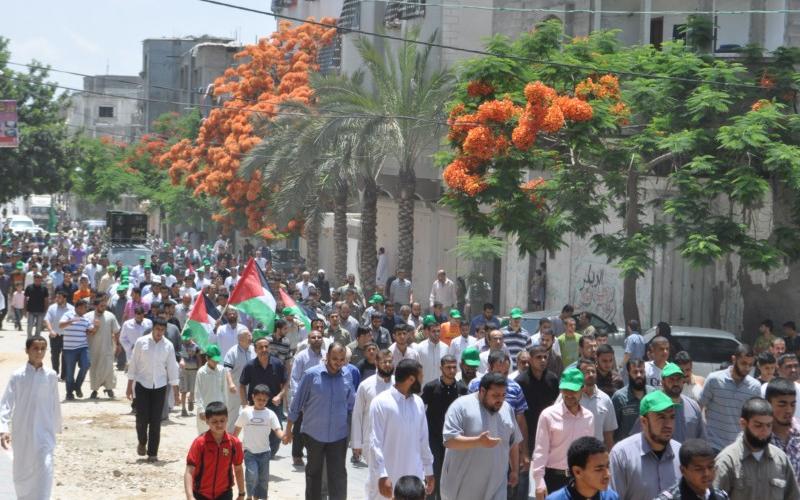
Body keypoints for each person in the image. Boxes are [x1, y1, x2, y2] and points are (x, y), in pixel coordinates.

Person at [284, 343, 355, 500]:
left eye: (342, 359)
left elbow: (351, 405)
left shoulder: (347, 375)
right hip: (314, 434)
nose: (338, 362)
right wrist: (288, 430)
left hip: (339, 435)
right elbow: (297, 403)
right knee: (314, 475)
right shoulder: (311, 375)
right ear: (327, 357)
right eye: (335, 358)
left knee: (338, 476)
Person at [440, 373, 523, 500]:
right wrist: (478, 441)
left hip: (496, 488)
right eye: (495, 395)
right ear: (482, 391)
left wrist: (514, 471)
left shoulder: (507, 409)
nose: (500, 400)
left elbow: (513, 442)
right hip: (463, 489)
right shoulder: (460, 406)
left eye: (503, 395)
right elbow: (449, 440)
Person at [0, 336, 61, 500]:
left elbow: (55, 402)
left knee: (45, 467)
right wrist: (3, 429)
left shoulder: (51, 375)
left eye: (43, 349)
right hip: (23, 433)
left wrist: (56, 428)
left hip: (45, 433)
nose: (39, 352)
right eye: (35, 348)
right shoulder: (18, 376)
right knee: (22, 473)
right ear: (27, 350)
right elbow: (6, 403)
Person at [369, 359, 435, 499]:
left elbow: (424, 440)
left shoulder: (418, 403)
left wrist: (429, 470)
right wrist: (382, 475)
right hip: (388, 478)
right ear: (411, 379)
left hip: (413, 479)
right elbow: (375, 443)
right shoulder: (381, 403)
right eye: (421, 377)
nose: (423, 380)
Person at [714, 397, 800, 499]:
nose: (765, 431)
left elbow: (793, 496)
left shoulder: (780, 459)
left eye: (768, 425)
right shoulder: (727, 461)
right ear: (743, 424)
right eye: (758, 425)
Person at [533, 368, 595, 499]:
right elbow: (540, 451)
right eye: (565, 390)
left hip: (579, 480)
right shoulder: (548, 415)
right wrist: (539, 482)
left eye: (573, 390)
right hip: (553, 480)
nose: (569, 394)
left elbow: (589, 453)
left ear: (582, 389)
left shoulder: (589, 417)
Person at [609, 391, 682, 500]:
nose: (668, 424)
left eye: (672, 417)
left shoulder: (681, 453)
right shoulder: (622, 455)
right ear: (644, 422)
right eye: (661, 417)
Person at [126, 317, 180, 461]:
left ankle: (153, 453)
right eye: (157, 329)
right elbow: (133, 365)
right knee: (141, 419)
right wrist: (129, 386)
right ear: (153, 328)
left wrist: (176, 391)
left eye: (162, 330)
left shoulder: (168, 345)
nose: (159, 332)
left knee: (156, 420)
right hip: (142, 384)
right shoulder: (141, 342)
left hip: (160, 386)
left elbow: (172, 368)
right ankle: (142, 442)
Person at [516, 345, 560, 498]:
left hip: (549, 434)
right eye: (538, 357)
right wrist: (524, 449)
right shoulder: (521, 381)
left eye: (545, 357)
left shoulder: (553, 379)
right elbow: (518, 416)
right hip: (526, 433)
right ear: (530, 359)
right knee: (522, 480)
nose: (542, 360)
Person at [422, 355, 468, 499]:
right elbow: (420, 408)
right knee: (433, 472)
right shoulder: (431, 387)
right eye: (448, 367)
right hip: (433, 437)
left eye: (454, 367)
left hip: (453, 438)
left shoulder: (462, 389)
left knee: (449, 473)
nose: (452, 370)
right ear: (441, 368)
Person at [700, 344, 761, 453]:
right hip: (713, 446)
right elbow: (699, 406)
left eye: (750, 365)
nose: (747, 368)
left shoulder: (755, 387)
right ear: (734, 359)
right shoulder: (714, 380)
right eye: (743, 363)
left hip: (740, 448)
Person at [184, 401, 246, 500]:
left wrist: (241, 494)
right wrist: (190, 496)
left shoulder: (234, 443)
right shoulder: (200, 443)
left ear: (227, 419)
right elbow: (189, 471)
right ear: (207, 421)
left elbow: (238, 469)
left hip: (224, 494)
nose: (219, 424)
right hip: (200, 494)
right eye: (214, 421)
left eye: (222, 420)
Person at [239, 336, 287, 460]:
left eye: (266, 346)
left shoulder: (278, 364)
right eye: (261, 347)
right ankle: (254, 456)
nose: (264, 349)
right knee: (255, 434)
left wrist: (280, 395)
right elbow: (242, 385)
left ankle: (268, 456)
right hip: (255, 406)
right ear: (255, 350)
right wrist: (244, 404)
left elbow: (286, 384)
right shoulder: (250, 366)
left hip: (274, 405)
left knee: (276, 435)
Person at [234, 384, 285, 500]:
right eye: (258, 399)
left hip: (265, 452)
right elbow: (237, 429)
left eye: (264, 400)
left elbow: (277, 429)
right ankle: (250, 495)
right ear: (253, 397)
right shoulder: (246, 412)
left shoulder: (270, 414)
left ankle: (259, 497)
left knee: (263, 478)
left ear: (267, 400)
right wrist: (231, 443)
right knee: (252, 475)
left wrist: (284, 437)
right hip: (249, 452)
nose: (261, 402)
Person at [352, 349, 394, 467]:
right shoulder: (365, 385)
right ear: (376, 363)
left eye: (390, 362)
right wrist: (356, 443)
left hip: (394, 439)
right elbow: (357, 414)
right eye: (384, 362)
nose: (387, 365)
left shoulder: (398, 385)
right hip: (371, 440)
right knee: (376, 478)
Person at [545, 437, 619, 500]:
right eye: (599, 469)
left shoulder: (611, 497)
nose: (607, 474)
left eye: (607, 466)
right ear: (577, 472)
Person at [654, 439, 729, 500]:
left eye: (710, 467)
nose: (707, 473)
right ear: (683, 471)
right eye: (699, 469)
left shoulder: (721, 497)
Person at [60, 298, 96, 400]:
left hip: (82, 347)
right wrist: (71, 321)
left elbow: (91, 331)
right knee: (70, 372)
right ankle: (69, 393)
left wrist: (96, 327)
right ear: (79, 308)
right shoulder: (68, 315)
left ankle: (77, 386)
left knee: (86, 364)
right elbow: (61, 325)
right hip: (69, 348)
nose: (86, 310)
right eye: (85, 308)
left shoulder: (86, 318)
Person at [766, 377, 800, 484]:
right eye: (782, 404)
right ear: (768, 403)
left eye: (793, 404)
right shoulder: (759, 436)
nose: (789, 410)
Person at [611, 359, 654, 443]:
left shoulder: (653, 394)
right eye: (635, 372)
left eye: (641, 371)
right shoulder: (619, 397)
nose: (639, 375)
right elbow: (612, 429)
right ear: (628, 374)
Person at [87, 294, 121, 399]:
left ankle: (109, 388)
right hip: (93, 348)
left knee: (109, 368)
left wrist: (118, 344)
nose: (103, 308)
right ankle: (94, 390)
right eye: (101, 306)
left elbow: (116, 331)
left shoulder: (110, 316)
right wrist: (93, 329)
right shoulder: (87, 317)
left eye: (104, 306)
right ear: (96, 306)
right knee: (94, 368)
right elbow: (85, 332)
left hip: (107, 347)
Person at [223, 329, 254, 430]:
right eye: (247, 335)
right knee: (233, 414)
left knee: (250, 414)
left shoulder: (254, 350)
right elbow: (227, 369)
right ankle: (229, 439)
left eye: (250, 335)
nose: (250, 337)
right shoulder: (232, 352)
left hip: (251, 389)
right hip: (235, 388)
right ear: (240, 339)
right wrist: (231, 384)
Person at [194, 344, 228, 434]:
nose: (216, 363)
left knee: (219, 433)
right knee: (204, 434)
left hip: (219, 408)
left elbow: (224, 390)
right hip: (206, 408)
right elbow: (198, 392)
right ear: (207, 358)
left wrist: (225, 407)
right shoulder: (201, 372)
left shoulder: (222, 370)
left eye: (217, 360)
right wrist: (201, 410)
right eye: (213, 360)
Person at [44, 289, 73, 378]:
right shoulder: (52, 307)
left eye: (59, 297)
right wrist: (51, 330)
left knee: (65, 356)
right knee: (55, 355)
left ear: (64, 298)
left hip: (67, 336)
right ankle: (55, 373)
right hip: (55, 335)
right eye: (56, 297)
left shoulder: (71, 309)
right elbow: (47, 319)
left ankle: (64, 375)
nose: (57, 299)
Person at [416, 317, 449, 386]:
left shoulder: (446, 348)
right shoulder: (419, 348)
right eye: (434, 331)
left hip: (441, 388)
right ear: (428, 332)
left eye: (438, 331)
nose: (436, 333)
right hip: (424, 388)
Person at [24, 272, 49, 338]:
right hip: (31, 310)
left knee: (38, 327)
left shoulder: (44, 289)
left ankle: (36, 340)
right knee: (30, 327)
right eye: (36, 279)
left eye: (39, 279)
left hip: (41, 310)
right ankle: (29, 340)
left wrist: (46, 310)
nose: (37, 280)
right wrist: (24, 309)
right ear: (34, 279)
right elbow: (25, 299)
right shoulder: (29, 287)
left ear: (41, 279)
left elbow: (46, 300)